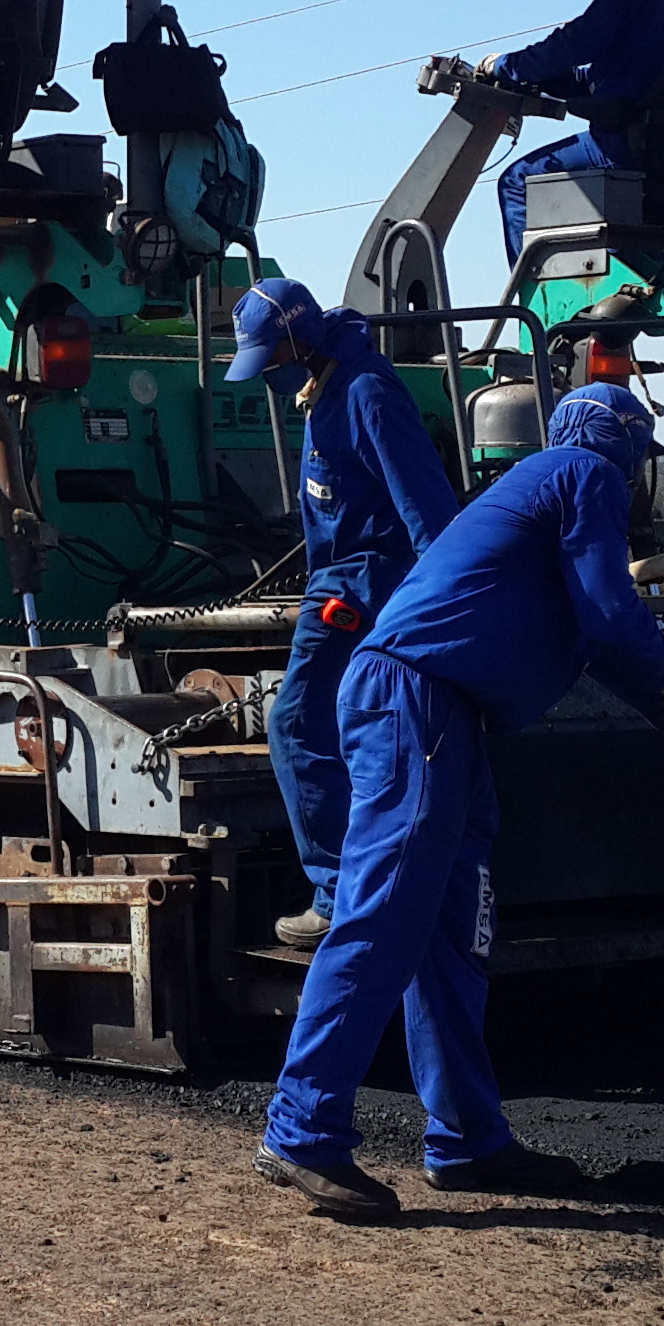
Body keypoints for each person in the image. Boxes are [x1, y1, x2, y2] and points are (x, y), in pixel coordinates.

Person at [253, 382, 664, 1214]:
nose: (642, 474)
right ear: (628, 447)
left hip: (447, 715)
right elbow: (615, 619)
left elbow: (613, 654)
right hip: (413, 701)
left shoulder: (554, 512)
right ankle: (302, 1129)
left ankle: (467, 1140)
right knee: (384, 914)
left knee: (454, 930)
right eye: (644, 456)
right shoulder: (582, 473)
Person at [226, 277, 461, 950]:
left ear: (298, 344)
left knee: (297, 724)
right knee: (349, 733)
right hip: (336, 575)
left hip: (359, 584)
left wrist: (438, 608)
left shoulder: (366, 393)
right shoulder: (326, 384)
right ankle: (367, 882)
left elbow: (426, 510)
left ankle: (336, 895)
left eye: (270, 358)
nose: (266, 373)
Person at [489, 0, 664, 263]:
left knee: (517, 181)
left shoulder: (627, 2)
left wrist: (503, 65)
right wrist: (554, 80)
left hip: (621, 147)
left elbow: (565, 48)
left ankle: (529, 296)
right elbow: (606, 78)